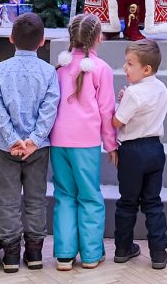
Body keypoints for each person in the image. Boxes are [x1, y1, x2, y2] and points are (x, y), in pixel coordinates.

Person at [0, 13, 61, 272]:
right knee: (35, 199)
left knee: (7, 200)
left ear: (10, 39)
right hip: (37, 149)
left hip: (6, 146)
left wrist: (12, 139)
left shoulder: (0, 69)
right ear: (43, 41)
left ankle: (10, 256)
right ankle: (34, 254)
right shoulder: (49, 71)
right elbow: (49, 109)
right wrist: (33, 140)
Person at [50, 14, 118, 271]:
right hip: (86, 143)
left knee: (65, 196)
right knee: (89, 197)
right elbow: (106, 111)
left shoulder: (59, 67)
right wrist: (111, 145)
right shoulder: (102, 69)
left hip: (58, 142)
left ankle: (64, 256)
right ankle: (90, 255)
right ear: (99, 38)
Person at [112, 39, 167, 270]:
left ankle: (122, 248)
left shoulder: (133, 94)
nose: (124, 68)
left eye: (129, 64)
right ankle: (158, 253)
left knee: (127, 202)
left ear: (146, 69)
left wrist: (116, 107)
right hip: (155, 149)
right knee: (153, 202)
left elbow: (117, 121)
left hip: (132, 152)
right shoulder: (162, 88)